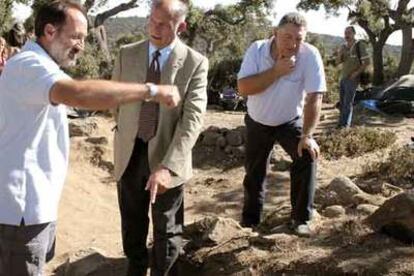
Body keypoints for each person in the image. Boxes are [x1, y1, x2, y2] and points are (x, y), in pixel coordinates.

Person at [0, 1, 180, 275]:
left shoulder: (39, 66)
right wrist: (151, 91)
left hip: (33, 210)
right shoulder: (30, 66)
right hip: (20, 215)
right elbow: (79, 94)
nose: (81, 46)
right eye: (76, 37)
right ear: (49, 31)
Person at [111, 0, 208, 275]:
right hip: (128, 156)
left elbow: (192, 120)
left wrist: (168, 166)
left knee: (167, 234)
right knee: (132, 227)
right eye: (152, 20)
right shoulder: (126, 54)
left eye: (164, 24)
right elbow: (116, 103)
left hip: (167, 161)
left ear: (181, 26)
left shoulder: (195, 63)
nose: (155, 28)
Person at [237, 12, 326, 237]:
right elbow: (244, 88)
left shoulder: (310, 55)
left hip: (289, 120)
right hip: (258, 121)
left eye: (299, 39)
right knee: (254, 174)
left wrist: (307, 135)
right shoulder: (256, 50)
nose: (293, 44)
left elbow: (315, 97)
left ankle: (301, 219)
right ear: (275, 33)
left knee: (307, 155)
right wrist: (276, 71)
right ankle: (250, 222)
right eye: (287, 37)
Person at [336, 26, 370, 128]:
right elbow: (338, 62)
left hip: (352, 79)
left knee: (347, 103)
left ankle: (344, 127)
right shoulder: (344, 46)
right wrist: (340, 52)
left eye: (349, 32)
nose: (346, 35)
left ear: (354, 34)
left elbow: (367, 62)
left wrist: (356, 73)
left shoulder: (360, 45)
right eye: (345, 32)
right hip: (343, 77)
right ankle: (341, 124)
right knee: (342, 103)